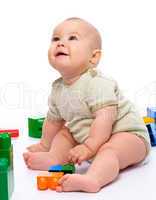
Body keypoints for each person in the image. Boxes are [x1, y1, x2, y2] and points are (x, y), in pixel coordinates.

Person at [23, 17, 151, 193]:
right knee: (65, 133)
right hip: (88, 137)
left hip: (127, 136)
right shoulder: (58, 88)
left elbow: (105, 118)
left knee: (110, 150)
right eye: (56, 39)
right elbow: (53, 120)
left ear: (94, 57)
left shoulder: (97, 82)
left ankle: (93, 178)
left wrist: (89, 147)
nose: (60, 43)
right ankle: (54, 157)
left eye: (72, 38)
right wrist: (45, 144)